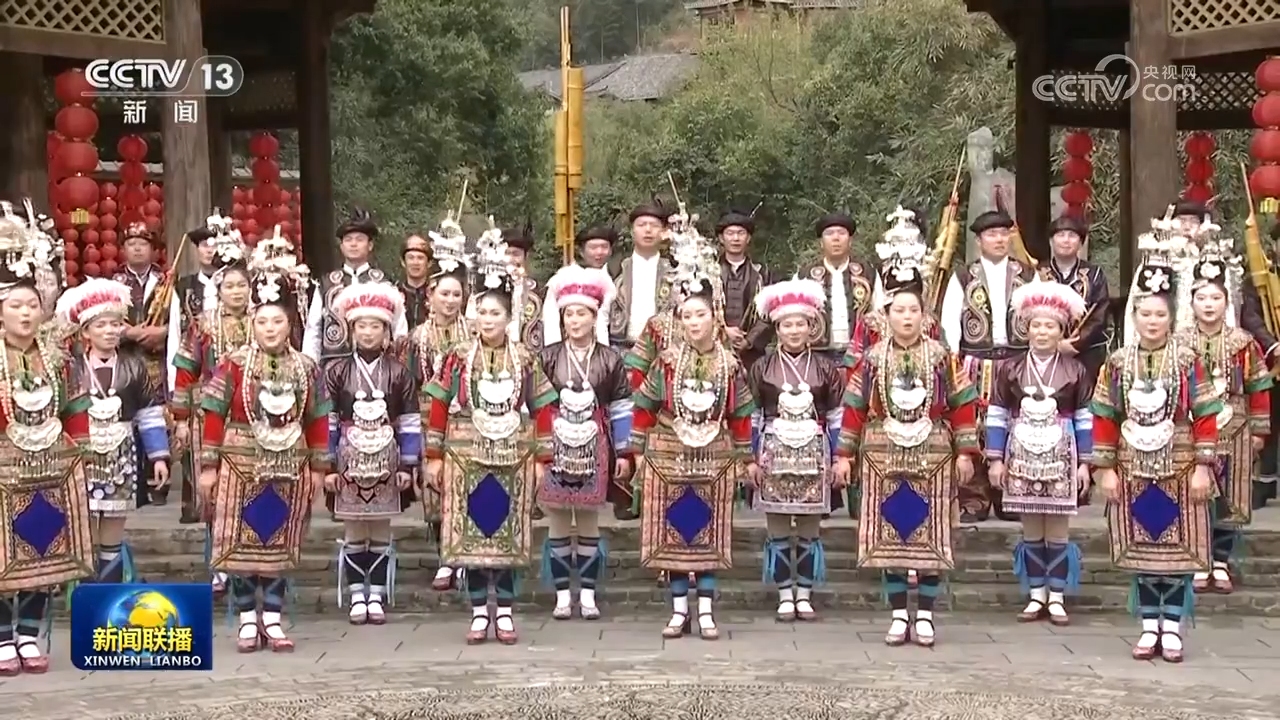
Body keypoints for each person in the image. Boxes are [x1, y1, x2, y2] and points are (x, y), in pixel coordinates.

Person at [834, 248, 981, 648]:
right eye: (899, 310)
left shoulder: (941, 358)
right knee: (891, 530)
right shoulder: (871, 359)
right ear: (887, 314)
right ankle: (899, 614)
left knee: (930, 531)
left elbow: (962, 403)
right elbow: (854, 407)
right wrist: (844, 456)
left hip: (932, 453)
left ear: (924, 315)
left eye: (913, 310)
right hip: (882, 453)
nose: (906, 317)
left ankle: (927, 614)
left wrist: (965, 451)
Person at [421, 222, 556, 645]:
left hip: (514, 455)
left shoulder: (525, 357)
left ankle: (507, 611)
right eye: (482, 313)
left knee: (508, 532)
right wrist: (434, 456)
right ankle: (480, 611)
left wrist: (542, 459)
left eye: (495, 313)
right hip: (467, 456)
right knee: (474, 531)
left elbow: (543, 407)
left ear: (509, 317)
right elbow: (438, 404)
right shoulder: (458, 356)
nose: (488, 320)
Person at [1090, 229, 1220, 664]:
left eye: (1159, 315)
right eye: (1144, 313)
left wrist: (1203, 466)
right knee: (1144, 545)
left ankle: (1174, 626)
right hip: (1133, 465)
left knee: (1179, 548)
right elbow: (1105, 415)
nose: (1151, 321)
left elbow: (1205, 413)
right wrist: (1105, 469)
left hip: (1179, 464)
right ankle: (1149, 625)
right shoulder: (1117, 363)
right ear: (1134, 317)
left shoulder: (1187, 360)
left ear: (1170, 318)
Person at [199, 230, 330, 653]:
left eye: (278, 322)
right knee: (241, 542)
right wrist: (208, 467)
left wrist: (318, 467)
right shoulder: (233, 365)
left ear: (290, 324)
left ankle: (272, 617)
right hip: (240, 465)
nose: (270, 329)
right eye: (262, 322)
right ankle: (245, 618)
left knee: (278, 537)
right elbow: (212, 413)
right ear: (252, 324)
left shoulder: (307, 368)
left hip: (290, 464)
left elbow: (317, 418)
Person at [631, 210, 756, 640]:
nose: (693, 323)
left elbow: (741, 414)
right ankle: (678, 609)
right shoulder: (666, 361)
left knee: (709, 527)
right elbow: (644, 406)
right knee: (674, 528)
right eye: (686, 317)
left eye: (700, 315)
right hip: (670, 451)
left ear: (714, 319)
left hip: (714, 454)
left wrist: (745, 459)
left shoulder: (730, 364)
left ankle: (705, 609)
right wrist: (638, 453)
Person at [0, 200, 93, 675]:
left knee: (42, 548)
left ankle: (29, 634)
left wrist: (81, 453)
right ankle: (2, 637)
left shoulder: (57, 356)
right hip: (3, 465)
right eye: (15, 306)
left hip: (50, 465)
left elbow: (75, 407)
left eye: (31, 305)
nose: (25, 313)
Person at [984, 282, 1092, 626]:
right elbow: (997, 413)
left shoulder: (1075, 369)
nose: (1042, 332)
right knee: (1031, 526)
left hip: (1062, 454)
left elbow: (1085, 416)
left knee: (1058, 527)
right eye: (1036, 325)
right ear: (1026, 328)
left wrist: (1085, 463)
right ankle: (1035, 594)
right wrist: (995, 458)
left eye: (1050, 326)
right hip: (1021, 453)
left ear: (1061, 331)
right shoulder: (1010, 368)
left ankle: (1057, 596)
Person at [1171, 229, 1271, 594]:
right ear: (1191, 302)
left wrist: (1259, 429)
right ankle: (1197, 557)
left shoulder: (1243, 342)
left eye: (1215, 297)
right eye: (1202, 298)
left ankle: (1221, 561)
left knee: (1230, 494)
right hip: (1192, 427)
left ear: (1226, 301)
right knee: (1196, 492)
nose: (1209, 304)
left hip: (1235, 426)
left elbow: (1258, 386)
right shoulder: (1179, 342)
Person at [57, 278, 170, 585]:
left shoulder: (134, 366)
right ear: (85, 332)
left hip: (121, 455)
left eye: (115, 324)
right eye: (101, 325)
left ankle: (110, 589)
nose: (109, 331)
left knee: (114, 524)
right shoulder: (70, 368)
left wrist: (158, 456)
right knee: (84, 523)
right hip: (82, 455)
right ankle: (84, 591)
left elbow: (149, 413)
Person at [538, 264, 632, 620]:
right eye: (569, 314)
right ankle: (563, 595)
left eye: (581, 314)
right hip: (556, 444)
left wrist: (624, 451)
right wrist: (538, 451)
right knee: (559, 518)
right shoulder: (548, 357)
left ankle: (589, 594)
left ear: (595, 318)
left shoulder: (610, 359)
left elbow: (622, 407)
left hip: (596, 445)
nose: (574, 321)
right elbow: (536, 406)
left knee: (590, 519)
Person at [748, 277, 844, 621]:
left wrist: (839, 457)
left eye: (800, 324)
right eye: (787, 325)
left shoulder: (826, 368)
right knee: (776, 528)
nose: (793, 331)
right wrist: (750, 458)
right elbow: (752, 415)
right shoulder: (761, 367)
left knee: (808, 529)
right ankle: (784, 594)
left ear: (811, 327)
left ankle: (804, 593)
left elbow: (837, 416)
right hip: (773, 451)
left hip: (814, 452)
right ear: (777, 328)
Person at [326, 282, 419, 626]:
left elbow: (409, 421)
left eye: (375, 326)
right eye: (361, 326)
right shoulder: (336, 371)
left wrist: (408, 464)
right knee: (354, 530)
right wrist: (328, 465)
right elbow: (328, 421)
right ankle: (356, 595)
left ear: (387, 331)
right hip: (347, 459)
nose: (368, 332)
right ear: (351, 330)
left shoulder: (399, 372)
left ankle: (376, 594)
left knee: (380, 528)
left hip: (387, 460)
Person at [940, 209, 1038, 523]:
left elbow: (1039, 316)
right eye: (991, 234)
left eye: (1003, 234)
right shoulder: (963, 275)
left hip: (1018, 360)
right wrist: (953, 357)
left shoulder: (1028, 274)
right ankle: (974, 499)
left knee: (1018, 426)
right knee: (974, 426)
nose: (999, 240)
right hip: (976, 360)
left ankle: (1011, 496)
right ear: (979, 240)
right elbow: (950, 318)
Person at [171, 216, 251, 595]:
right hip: (208, 418)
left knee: (248, 489)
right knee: (213, 493)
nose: (236, 292)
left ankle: (247, 558)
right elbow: (185, 371)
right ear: (218, 289)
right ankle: (217, 564)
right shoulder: (203, 326)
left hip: (251, 419)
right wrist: (181, 418)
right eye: (229, 285)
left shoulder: (264, 323)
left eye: (242, 285)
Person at [402, 213, 472, 592]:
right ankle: (444, 556)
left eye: (456, 294)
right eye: (443, 293)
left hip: (467, 422)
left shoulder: (474, 335)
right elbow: (408, 384)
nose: (449, 300)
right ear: (430, 296)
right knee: (435, 489)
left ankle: (465, 555)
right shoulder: (416, 338)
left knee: (466, 488)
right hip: (429, 420)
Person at [302, 207, 408, 366]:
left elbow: (399, 328)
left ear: (370, 245)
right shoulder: (327, 284)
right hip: (334, 365)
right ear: (341, 246)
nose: (353, 244)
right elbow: (313, 330)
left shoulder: (384, 283)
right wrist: (310, 364)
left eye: (359, 239)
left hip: (378, 365)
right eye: (348, 240)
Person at [114, 221, 171, 504]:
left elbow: (182, 320)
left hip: (156, 359)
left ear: (153, 249)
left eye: (143, 244)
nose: (137, 249)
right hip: (126, 358)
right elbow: (102, 321)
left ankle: (158, 481)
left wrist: (164, 332)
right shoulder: (114, 283)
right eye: (131, 244)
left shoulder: (167, 281)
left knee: (158, 414)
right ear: (124, 249)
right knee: (128, 416)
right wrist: (128, 332)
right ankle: (132, 482)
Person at [1037, 215, 1111, 387]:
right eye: (1060, 235)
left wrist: (1075, 344)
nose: (1066, 240)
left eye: (1072, 235)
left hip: (1086, 353)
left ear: (1081, 243)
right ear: (1051, 241)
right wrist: (1054, 344)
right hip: (1046, 351)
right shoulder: (1038, 273)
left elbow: (1100, 314)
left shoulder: (1094, 274)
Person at [793, 213, 874, 365]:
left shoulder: (867, 273)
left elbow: (880, 312)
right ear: (821, 242)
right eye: (829, 233)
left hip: (860, 354)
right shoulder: (805, 275)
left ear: (850, 241)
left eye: (842, 233)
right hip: (817, 354)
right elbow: (794, 315)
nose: (836, 238)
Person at [609, 200, 673, 349]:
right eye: (641, 225)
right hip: (620, 347)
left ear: (664, 232)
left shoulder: (673, 270)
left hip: (662, 349)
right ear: (632, 231)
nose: (648, 230)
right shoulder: (615, 267)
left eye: (654, 225)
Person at [716, 208, 774, 371]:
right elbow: (701, 309)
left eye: (741, 233)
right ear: (721, 238)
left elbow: (768, 314)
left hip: (752, 354)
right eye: (730, 233)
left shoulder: (762, 273)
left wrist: (748, 341)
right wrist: (722, 331)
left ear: (748, 238)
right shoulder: (708, 272)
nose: (735, 238)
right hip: (714, 348)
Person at [541, 225, 619, 346]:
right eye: (593, 247)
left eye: (604, 247)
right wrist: (553, 347)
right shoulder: (563, 277)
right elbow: (550, 314)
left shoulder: (617, 276)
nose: (599, 252)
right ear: (582, 251)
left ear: (611, 250)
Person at [398, 233, 432, 330]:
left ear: (429, 263)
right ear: (403, 262)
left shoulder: (437, 295)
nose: (415, 263)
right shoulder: (393, 294)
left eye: (420, 258)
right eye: (411, 258)